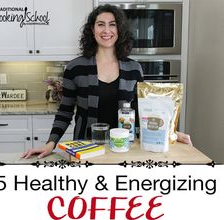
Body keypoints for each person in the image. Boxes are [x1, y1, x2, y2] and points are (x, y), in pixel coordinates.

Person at [22, 4, 191, 159]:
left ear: (119, 30)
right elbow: (65, 111)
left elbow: (144, 112)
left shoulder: (134, 69)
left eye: (112, 24)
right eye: (100, 24)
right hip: (85, 147)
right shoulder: (75, 68)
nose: (106, 30)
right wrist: (50, 144)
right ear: (92, 29)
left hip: (125, 148)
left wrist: (171, 134)